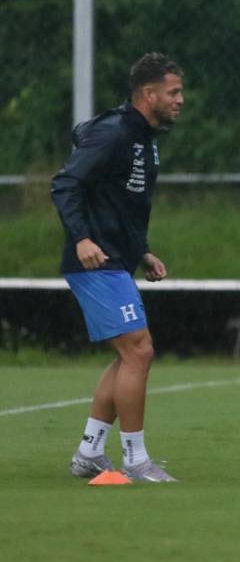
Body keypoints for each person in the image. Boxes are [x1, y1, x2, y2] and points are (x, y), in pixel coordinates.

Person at [53, 52, 184, 483]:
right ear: (149, 95)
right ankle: (135, 458)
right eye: (173, 92)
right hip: (94, 260)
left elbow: (123, 204)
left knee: (130, 353)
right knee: (139, 350)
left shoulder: (145, 138)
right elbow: (66, 183)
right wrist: (83, 238)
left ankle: (90, 451)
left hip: (117, 260)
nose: (180, 100)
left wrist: (142, 250)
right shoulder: (114, 133)